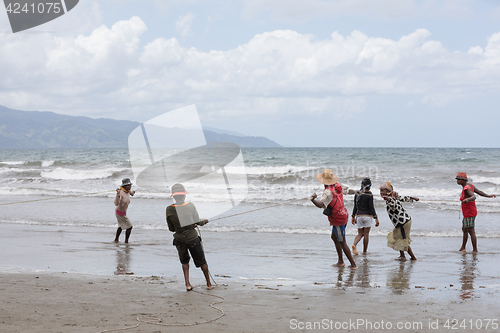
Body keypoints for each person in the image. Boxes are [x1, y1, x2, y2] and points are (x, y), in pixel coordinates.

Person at [166, 183, 213, 291]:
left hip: (179, 240)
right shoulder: (190, 205)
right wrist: (204, 221)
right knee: (202, 262)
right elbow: (197, 221)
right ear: (184, 195)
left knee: (184, 262)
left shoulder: (169, 209)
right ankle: (209, 284)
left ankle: (187, 284)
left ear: (173, 196)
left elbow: (171, 228)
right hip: (192, 238)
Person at [310, 169, 357, 269]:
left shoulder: (327, 192)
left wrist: (313, 199)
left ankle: (353, 264)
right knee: (334, 237)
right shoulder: (337, 185)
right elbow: (348, 191)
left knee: (342, 241)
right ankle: (340, 261)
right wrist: (357, 191)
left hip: (338, 219)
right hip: (344, 215)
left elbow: (321, 204)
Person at [456, 172, 496, 252]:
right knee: (464, 229)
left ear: (463, 180)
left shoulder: (467, 188)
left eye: (458, 179)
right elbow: (479, 192)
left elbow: (474, 196)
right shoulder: (470, 185)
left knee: (471, 230)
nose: (457, 181)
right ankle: (463, 247)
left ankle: (475, 250)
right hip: (467, 212)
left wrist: (467, 199)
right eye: (457, 179)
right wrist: (488, 196)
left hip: (470, 212)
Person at [379, 182, 418, 261]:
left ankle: (413, 258)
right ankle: (402, 256)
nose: (381, 193)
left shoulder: (391, 198)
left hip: (403, 222)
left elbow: (394, 205)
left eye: (383, 191)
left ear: (388, 191)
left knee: (403, 240)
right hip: (403, 222)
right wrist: (413, 198)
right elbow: (403, 198)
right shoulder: (394, 195)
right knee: (398, 238)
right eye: (380, 191)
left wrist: (388, 199)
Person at [351, 178, 379, 255]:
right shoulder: (369, 194)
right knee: (366, 234)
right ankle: (364, 251)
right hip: (367, 216)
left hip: (359, 216)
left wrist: (353, 216)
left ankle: (354, 244)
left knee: (360, 234)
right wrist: (376, 218)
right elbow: (371, 207)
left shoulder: (357, 194)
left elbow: (355, 206)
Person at [114, 178, 135, 243]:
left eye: (130, 185)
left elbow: (131, 193)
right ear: (124, 186)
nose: (130, 186)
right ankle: (126, 241)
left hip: (123, 212)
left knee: (120, 226)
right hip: (119, 213)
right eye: (128, 185)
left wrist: (132, 192)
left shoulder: (127, 191)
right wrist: (117, 195)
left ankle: (116, 239)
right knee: (130, 227)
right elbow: (116, 203)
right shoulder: (120, 192)